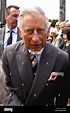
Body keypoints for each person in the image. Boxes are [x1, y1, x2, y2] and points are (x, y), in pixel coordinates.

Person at [1, 7, 70, 106]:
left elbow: (63, 95)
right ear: (20, 31)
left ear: (48, 30)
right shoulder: (9, 53)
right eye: (29, 31)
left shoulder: (62, 58)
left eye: (40, 30)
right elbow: (5, 90)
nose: (35, 38)